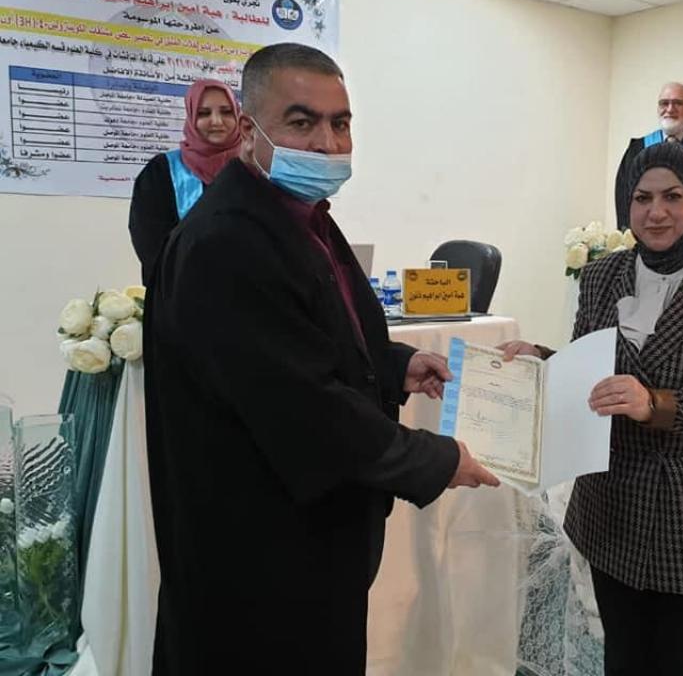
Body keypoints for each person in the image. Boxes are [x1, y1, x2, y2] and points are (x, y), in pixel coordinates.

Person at [143, 43, 499, 675]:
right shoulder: (226, 240)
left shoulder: (300, 217)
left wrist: (394, 364)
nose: (328, 144)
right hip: (261, 547)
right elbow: (304, 405)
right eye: (302, 122)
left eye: (341, 123)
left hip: (313, 535)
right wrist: (438, 459)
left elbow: (318, 332)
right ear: (249, 130)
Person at [504, 142, 683, 676]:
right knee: (624, 656)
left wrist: (655, 404)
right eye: (642, 198)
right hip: (614, 503)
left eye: (672, 197)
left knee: (681, 661)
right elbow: (592, 372)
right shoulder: (601, 276)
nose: (656, 212)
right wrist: (541, 360)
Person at [128, 78, 241, 282]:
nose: (217, 121)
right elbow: (149, 240)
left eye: (226, 112)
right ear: (191, 117)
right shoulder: (161, 171)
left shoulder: (254, 168)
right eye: (204, 113)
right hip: (181, 289)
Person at [614, 82, 683, 230]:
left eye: (678, 103)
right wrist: (628, 234)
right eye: (664, 103)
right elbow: (624, 196)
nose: (670, 109)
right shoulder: (638, 147)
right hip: (646, 233)